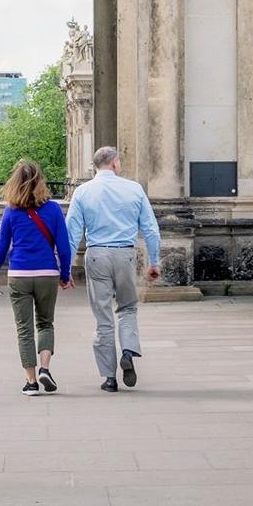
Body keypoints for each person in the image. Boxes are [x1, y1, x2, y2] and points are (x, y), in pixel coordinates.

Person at [65, 145, 161, 391]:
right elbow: (150, 229)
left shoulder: (83, 192)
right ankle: (128, 350)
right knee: (128, 308)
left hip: (97, 254)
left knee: (103, 317)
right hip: (125, 254)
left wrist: (65, 267)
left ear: (95, 166)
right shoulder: (134, 189)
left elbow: (72, 233)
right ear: (116, 163)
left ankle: (109, 378)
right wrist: (154, 261)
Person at [0, 159, 73, 393]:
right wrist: (65, 274)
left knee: (24, 329)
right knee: (45, 323)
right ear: (40, 181)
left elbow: (1, 247)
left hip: (19, 274)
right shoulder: (53, 209)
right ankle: (45, 368)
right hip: (47, 273)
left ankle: (31, 382)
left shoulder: (11, 212)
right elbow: (64, 247)